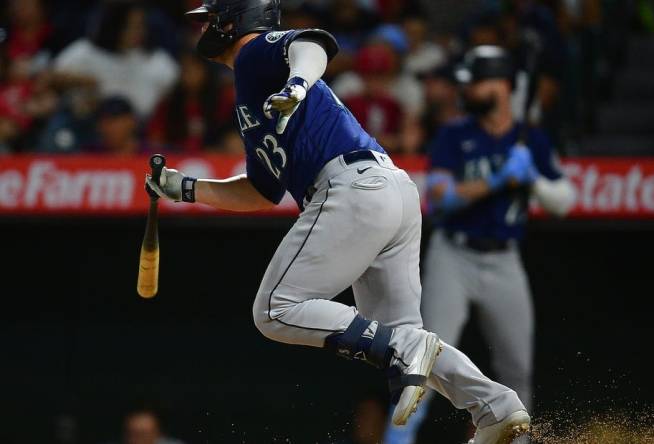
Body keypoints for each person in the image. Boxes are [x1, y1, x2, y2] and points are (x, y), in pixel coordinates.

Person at [145, 1, 530, 443]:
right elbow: (260, 192)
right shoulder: (250, 92)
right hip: (386, 192)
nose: (207, 26)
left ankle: (413, 353)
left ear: (236, 20)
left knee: (274, 310)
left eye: (214, 17)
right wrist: (186, 188)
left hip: (352, 189)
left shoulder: (254, 53)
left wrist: (297, 84)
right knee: (398, 336)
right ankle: (497, 408)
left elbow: (313, 44)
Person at [384, 46, 576, 444]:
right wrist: (500, 180)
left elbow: (564, 202)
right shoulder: (455, 135)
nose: (467, 91)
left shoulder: (532, 140)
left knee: (517, 368)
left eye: (476, 83)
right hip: (453, 256)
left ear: (503, 86)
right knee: (425, 359)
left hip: (504, 260)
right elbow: (439, 198)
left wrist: (533, 180)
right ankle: (399, 439)